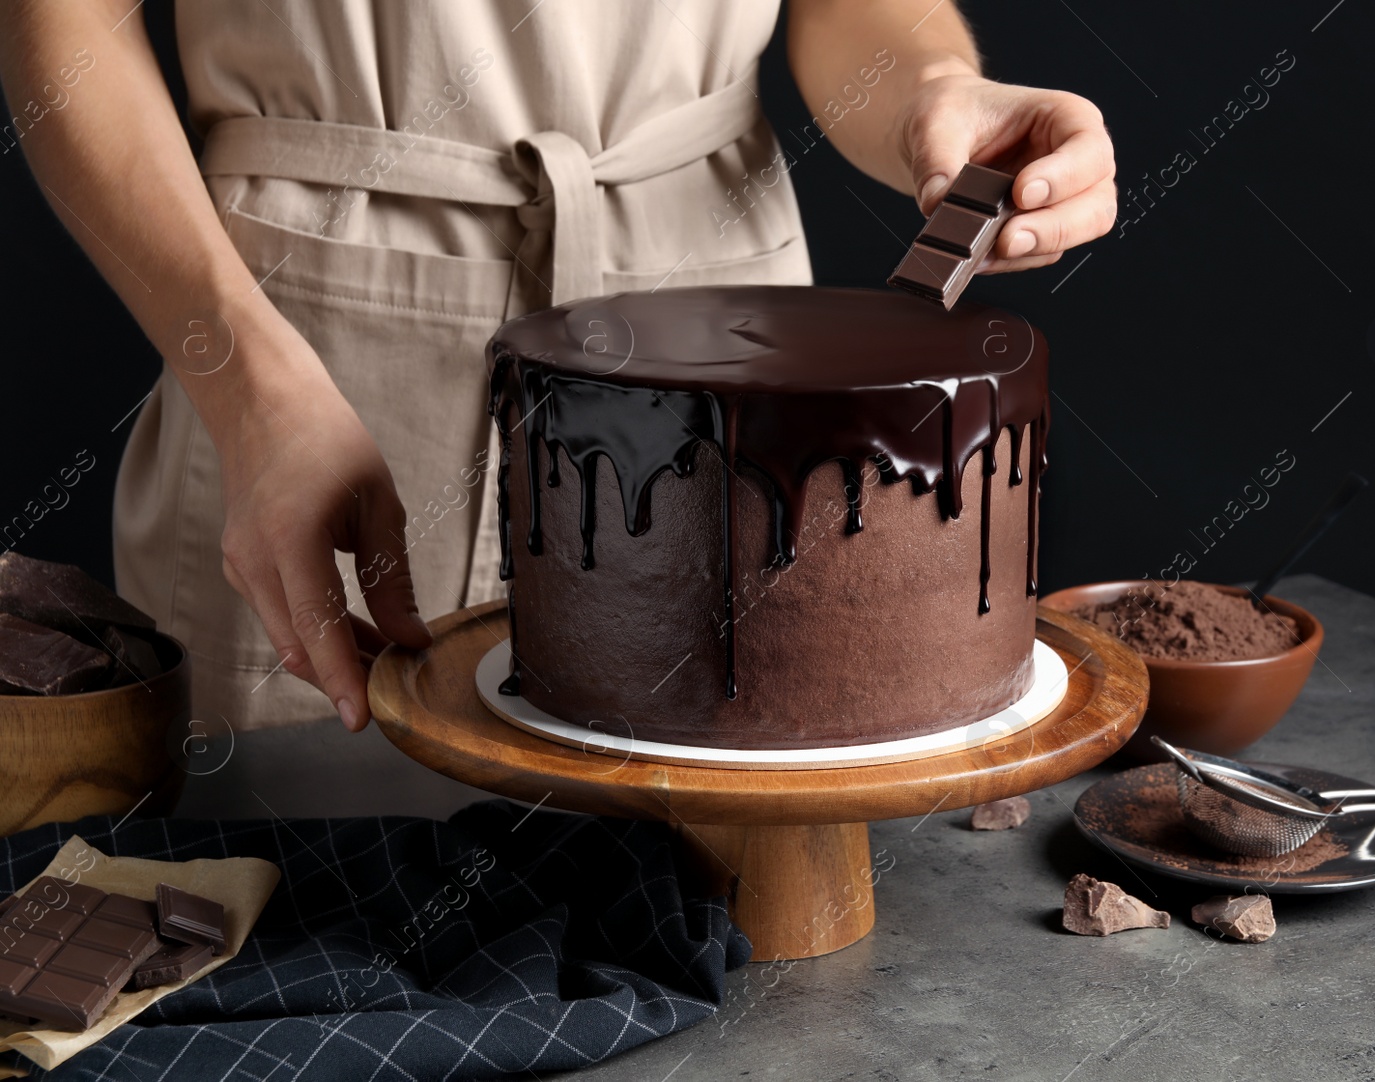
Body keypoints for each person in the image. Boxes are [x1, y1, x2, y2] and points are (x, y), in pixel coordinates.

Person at [0, 0, 1116, 734]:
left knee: (739, 958)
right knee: (290, 911)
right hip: (302, 368)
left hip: (726, 340)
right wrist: (248, 391)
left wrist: (929, 87)